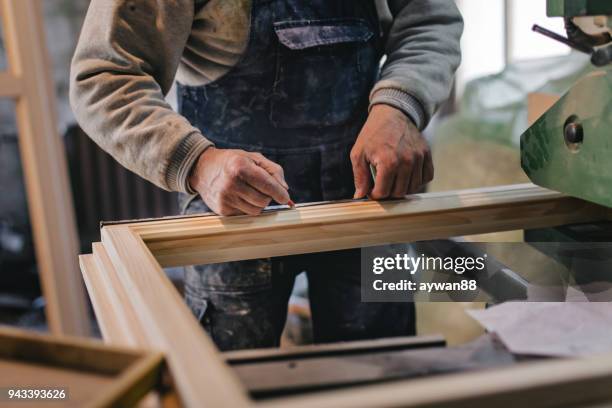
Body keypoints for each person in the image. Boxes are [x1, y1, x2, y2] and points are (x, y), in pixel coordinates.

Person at [70, 0, 463, 351]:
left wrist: (400, 105)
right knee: (231, 381)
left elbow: (431, 19)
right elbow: (104, 78)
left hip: (371, 193)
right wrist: (199, 163)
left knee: (386, 369)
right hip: (234, 203)